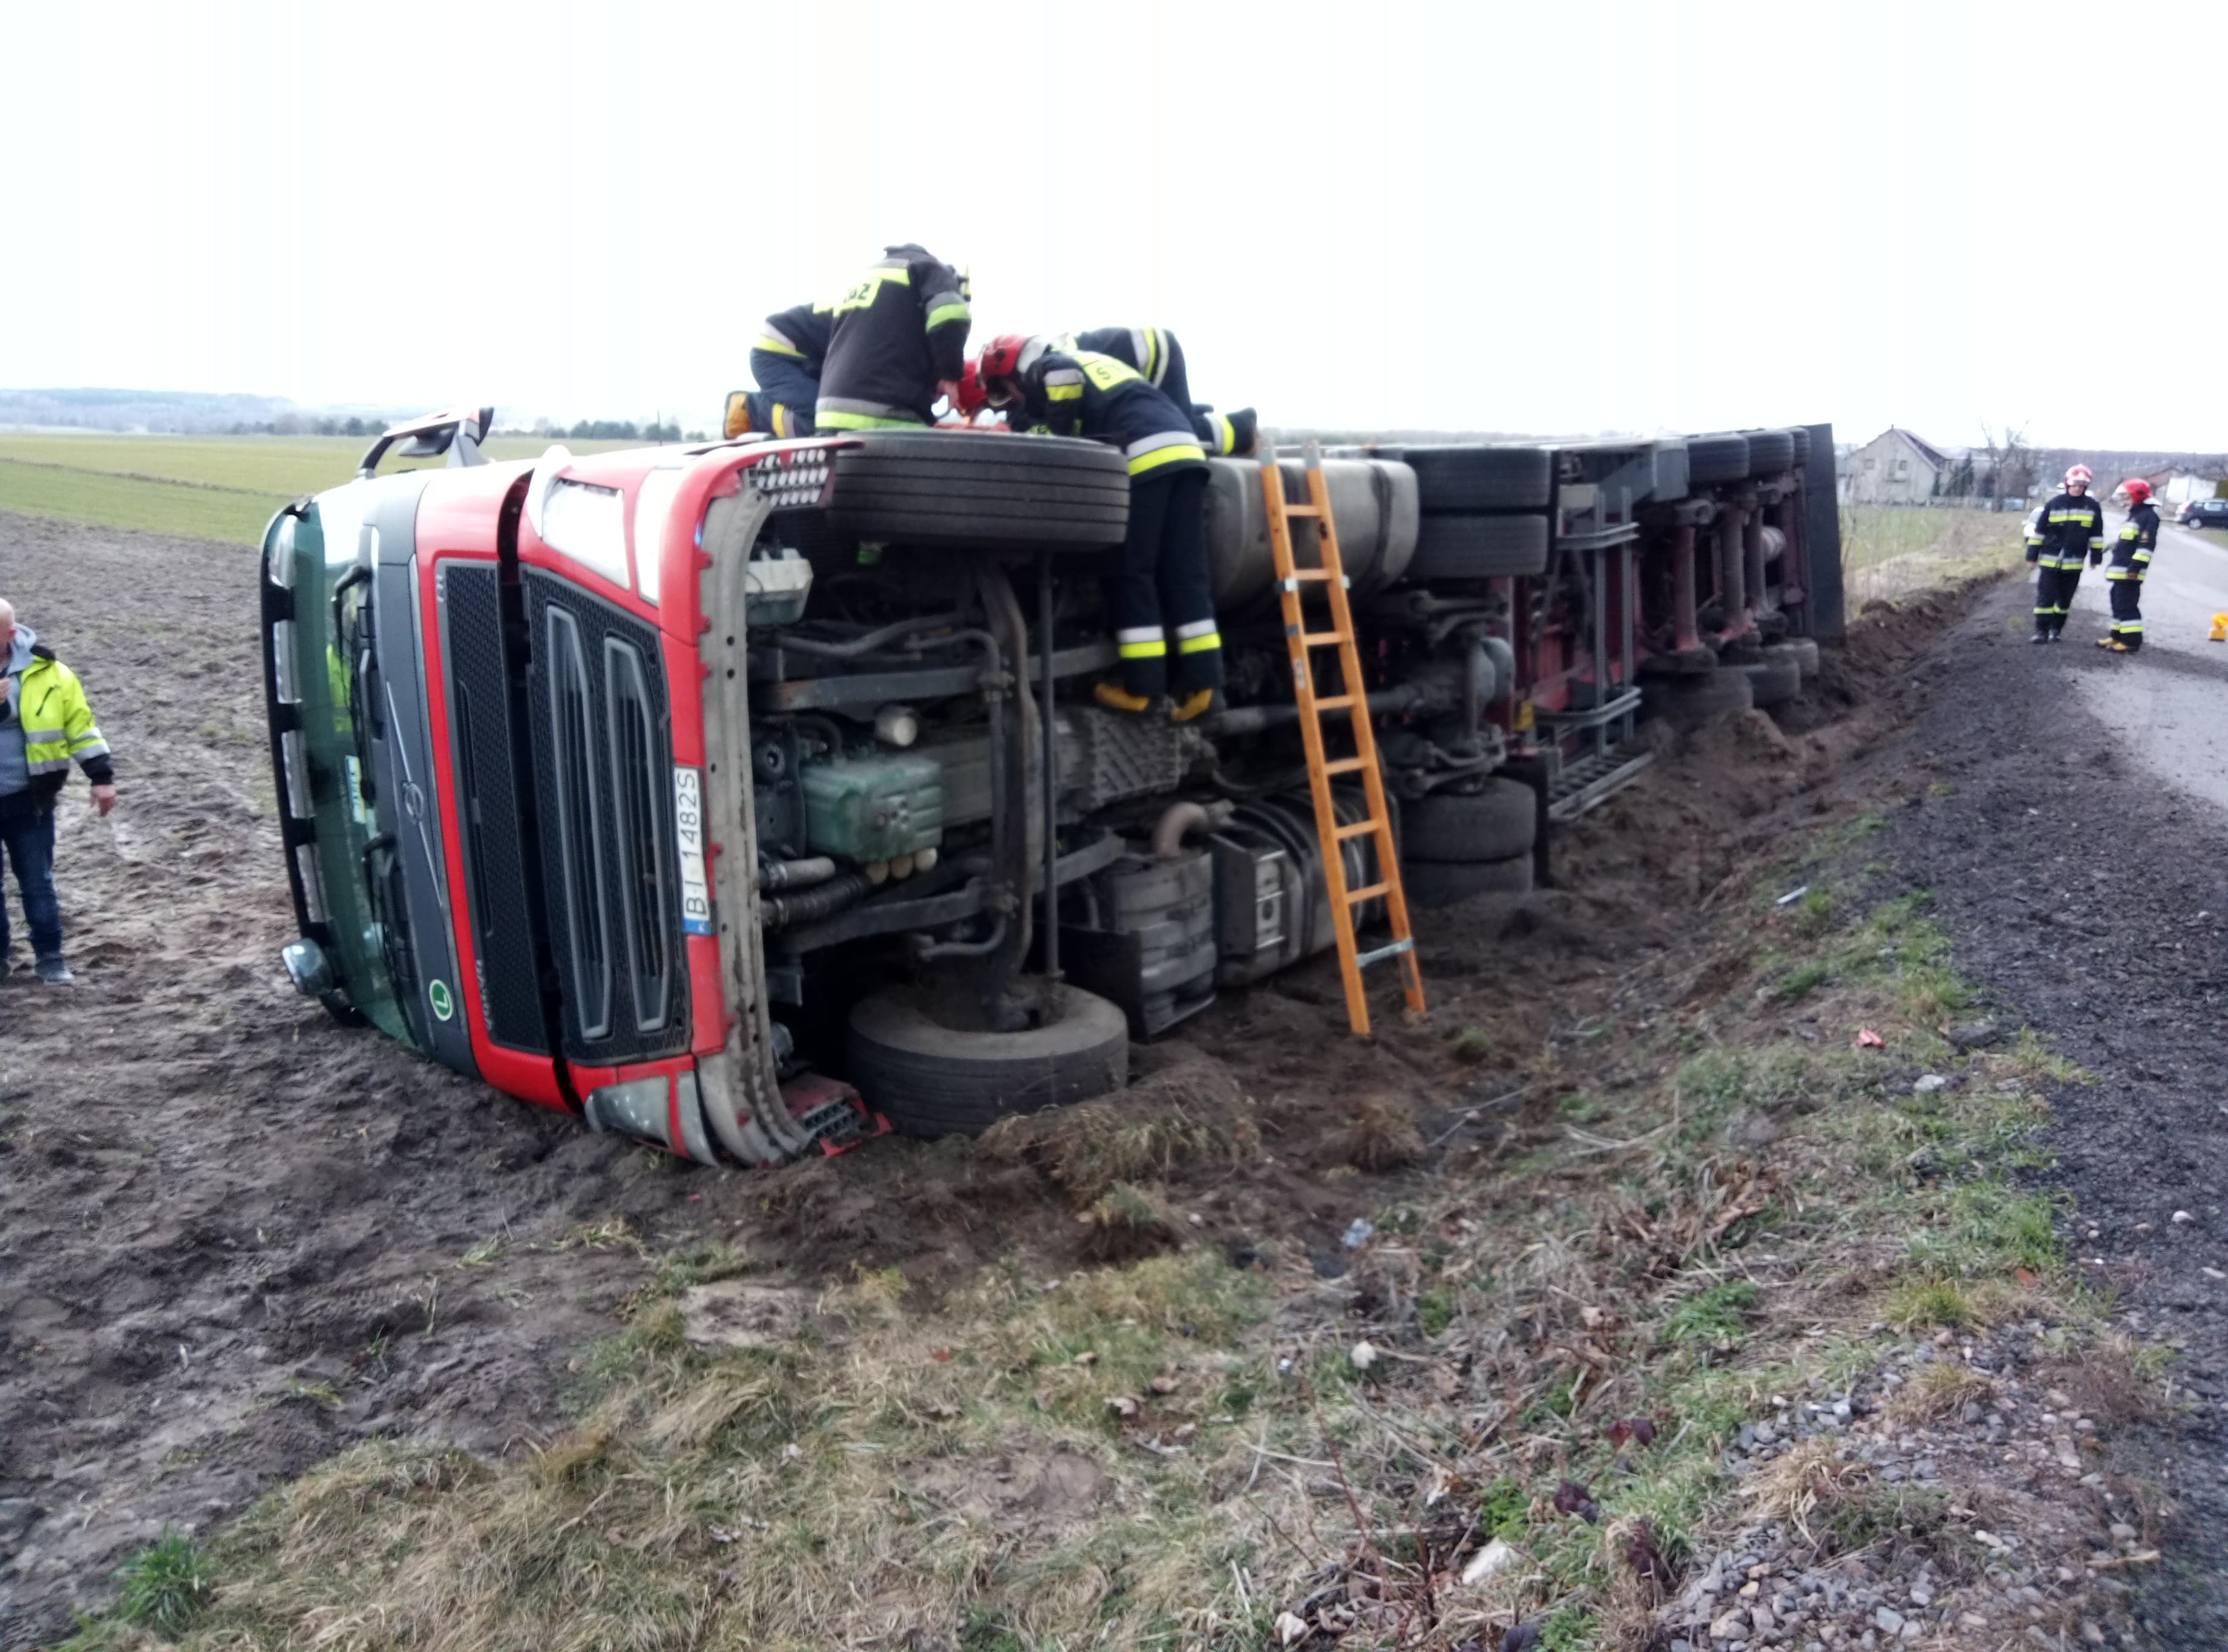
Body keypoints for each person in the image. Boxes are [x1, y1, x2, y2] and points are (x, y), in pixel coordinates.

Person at [976, 333, 1223, 722]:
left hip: (1144, 458)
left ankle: (1143, 691)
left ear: (1011, 371)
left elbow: (1063, 381)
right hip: (1186, 452)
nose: (1014, 401)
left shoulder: (1048, 365)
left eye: (1006, 392)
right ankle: (1205, 687)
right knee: (1186, 575)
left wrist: (1062, 440)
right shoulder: (1096, 361)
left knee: (1130, 573)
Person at [0, 598, 117, 984]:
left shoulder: (52, 674)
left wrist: (101, 777)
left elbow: (80, 726)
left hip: (30, 800)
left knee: (37, 881)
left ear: (11, 635)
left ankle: (51, 958)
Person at [814, 243, 971, 431]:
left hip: (829, 416)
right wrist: (949, 375)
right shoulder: (933, 271)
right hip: (888, 418)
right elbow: (951, 315)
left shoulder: (864, 279)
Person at [1056, 327, 1257, 456]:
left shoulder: (1040, 371)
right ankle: (1193, 414)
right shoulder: (1039, 356)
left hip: (1152, 358)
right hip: (1147, 356)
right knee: (1167, 423)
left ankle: (1243, 429)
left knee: (1176, 439)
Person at [728, 300, 834, 438]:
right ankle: (748, 410)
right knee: (821, 421)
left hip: (795, 352)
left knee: (824, 417)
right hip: (773, 354)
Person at [2026, 464, 2106, 642]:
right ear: (2068, 484)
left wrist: (2096, 557)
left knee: (2064, 601)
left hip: (2074, 563)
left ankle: (2056, 630)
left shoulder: (2092, 507)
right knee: (2045, 598)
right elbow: (2039, 533)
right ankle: (2041, 632)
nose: (2078, 488)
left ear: (2086, 487)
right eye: (2075, 484)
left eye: (2082, 485)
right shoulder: (2054, 504)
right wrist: (2032, 556)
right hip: (2049, 561)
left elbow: (2096, 535)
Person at [2098, 477, 2160, 652]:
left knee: (2127, 606)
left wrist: (2134, 569)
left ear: (2138, 496)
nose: (2124, 502)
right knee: (2118, 603)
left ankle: (2131, 642)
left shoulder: (2148, 517)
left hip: (2130, 572)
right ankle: (2116, 636)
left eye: (2127, 498)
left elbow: (2145, 548)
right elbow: (2130, 542)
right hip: (2122, 572)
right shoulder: (2137, 515)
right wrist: (2115, 546)